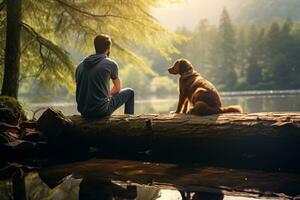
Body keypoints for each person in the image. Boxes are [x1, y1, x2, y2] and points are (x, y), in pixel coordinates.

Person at [75, 34, 134, 118]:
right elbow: (117, 89)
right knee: (130, 92)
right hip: (101, 111)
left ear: (95, 46)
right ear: (108, 48)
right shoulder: (110, 64)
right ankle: (130, 124)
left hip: (84, 112)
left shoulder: (80, 66)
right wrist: (106, 94)